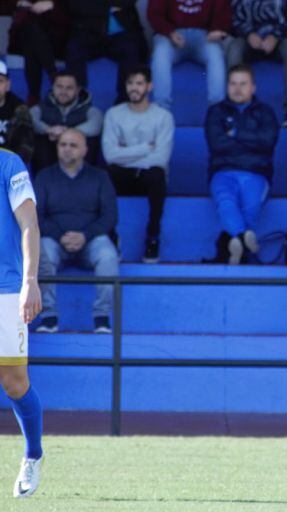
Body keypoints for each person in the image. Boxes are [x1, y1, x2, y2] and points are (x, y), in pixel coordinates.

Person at [34, 129, 119, 334]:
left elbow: (110, 216)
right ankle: (49, 317)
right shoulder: (44, 176)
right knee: (41, 252)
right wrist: (60, 236)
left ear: (85, 150)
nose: (67, 150)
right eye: (62, 145)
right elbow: (36, 215)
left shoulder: (100, 176)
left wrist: (85, 235)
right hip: (55, 240)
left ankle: (101, 317)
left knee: (108, 256)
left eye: (73, 145)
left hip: (90, 240)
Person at [1, 147, 44, 498]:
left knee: (14, 383)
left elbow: (29, 222)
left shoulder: (9, 163)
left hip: (5, 289)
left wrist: (30, 280)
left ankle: (32, 454)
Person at [205, 65, 279, 265]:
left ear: (253, 87)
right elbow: (217, 144)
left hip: (256, 172)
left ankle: (236, 242)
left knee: (250, 205)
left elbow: (268, 141)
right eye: (233, 84)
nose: (238, 88)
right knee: (226, 201)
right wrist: (250, 142)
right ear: (227, 86)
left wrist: (235, 134)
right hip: (223, 171)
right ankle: (243, 236)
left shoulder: (265, 112)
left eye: (243, 84)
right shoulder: (216, 112)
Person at [102, 66, 175, 263]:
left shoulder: (163, 117)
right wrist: (145, 148)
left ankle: (153, 237)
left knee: (157, 175)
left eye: (139, 83)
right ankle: (110, 237)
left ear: (149, 86)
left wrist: (125, 152)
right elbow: (110, 155)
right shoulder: (113, 115)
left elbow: (161, 158)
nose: (134, 88)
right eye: (130, 83)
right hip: (122, 175)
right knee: (107, 175)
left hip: (149, 176)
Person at [228, 0, 287, 123]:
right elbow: (231, 18)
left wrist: (276, 35)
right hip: (249, 41)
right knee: (234, 48)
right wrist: (248, 34)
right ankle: (233, 109)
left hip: (280, 41)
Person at [148, 0, 231, 111]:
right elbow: (154, 13)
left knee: (215, 55)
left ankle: (217, 110)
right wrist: (169, 32)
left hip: (204, 35)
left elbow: (224, 12)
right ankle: (161, 110)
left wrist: (218, 30)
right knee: (160, 53)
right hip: (171, 35)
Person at [65, 0, 147, 104]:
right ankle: (76, 100)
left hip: (121, 34)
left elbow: (127, 2)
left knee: (131, 49)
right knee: (74, 49)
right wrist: (108, 7)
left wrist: (94, 6)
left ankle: (125, 101)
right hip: (88, 32)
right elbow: (75, 6)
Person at [30, 71, 103, 172]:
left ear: (78, 90)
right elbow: (30, 120)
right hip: (48, 158)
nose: (63, 91)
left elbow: (96, 125)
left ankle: (85, 179)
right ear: (53, 87)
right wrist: (48, 130)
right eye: (59, 87)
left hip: (78, 159)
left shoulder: (89, 109)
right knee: (39, 138)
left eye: (69, 88)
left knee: (87, 140)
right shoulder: (41, 107)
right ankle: (43, 180)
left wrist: (67, 133)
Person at [7, 0, 69, 106]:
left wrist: (52, 5)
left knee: (32, 39)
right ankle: (53, 76)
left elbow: (73, 10)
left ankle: (33, 96)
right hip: (27, 34)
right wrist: (20, 4)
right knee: (32, 32)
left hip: (56, 37)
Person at [0, 62, 34, 164]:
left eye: (0, 81)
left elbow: (26, 148)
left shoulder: (20, 110)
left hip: (8, 168)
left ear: (8, 85)